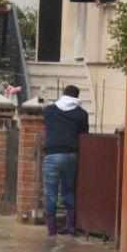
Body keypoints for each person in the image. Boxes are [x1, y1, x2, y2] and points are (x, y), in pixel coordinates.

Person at [43, 84, 88, 236]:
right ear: (76, 97)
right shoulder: (82, 114)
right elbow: (84, 134)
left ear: (63, 94)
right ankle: (70, 226)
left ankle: (52, 230)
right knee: (68, 190)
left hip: (53, 155)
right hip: (71, 155)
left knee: (51, 193)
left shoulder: (49, 111)